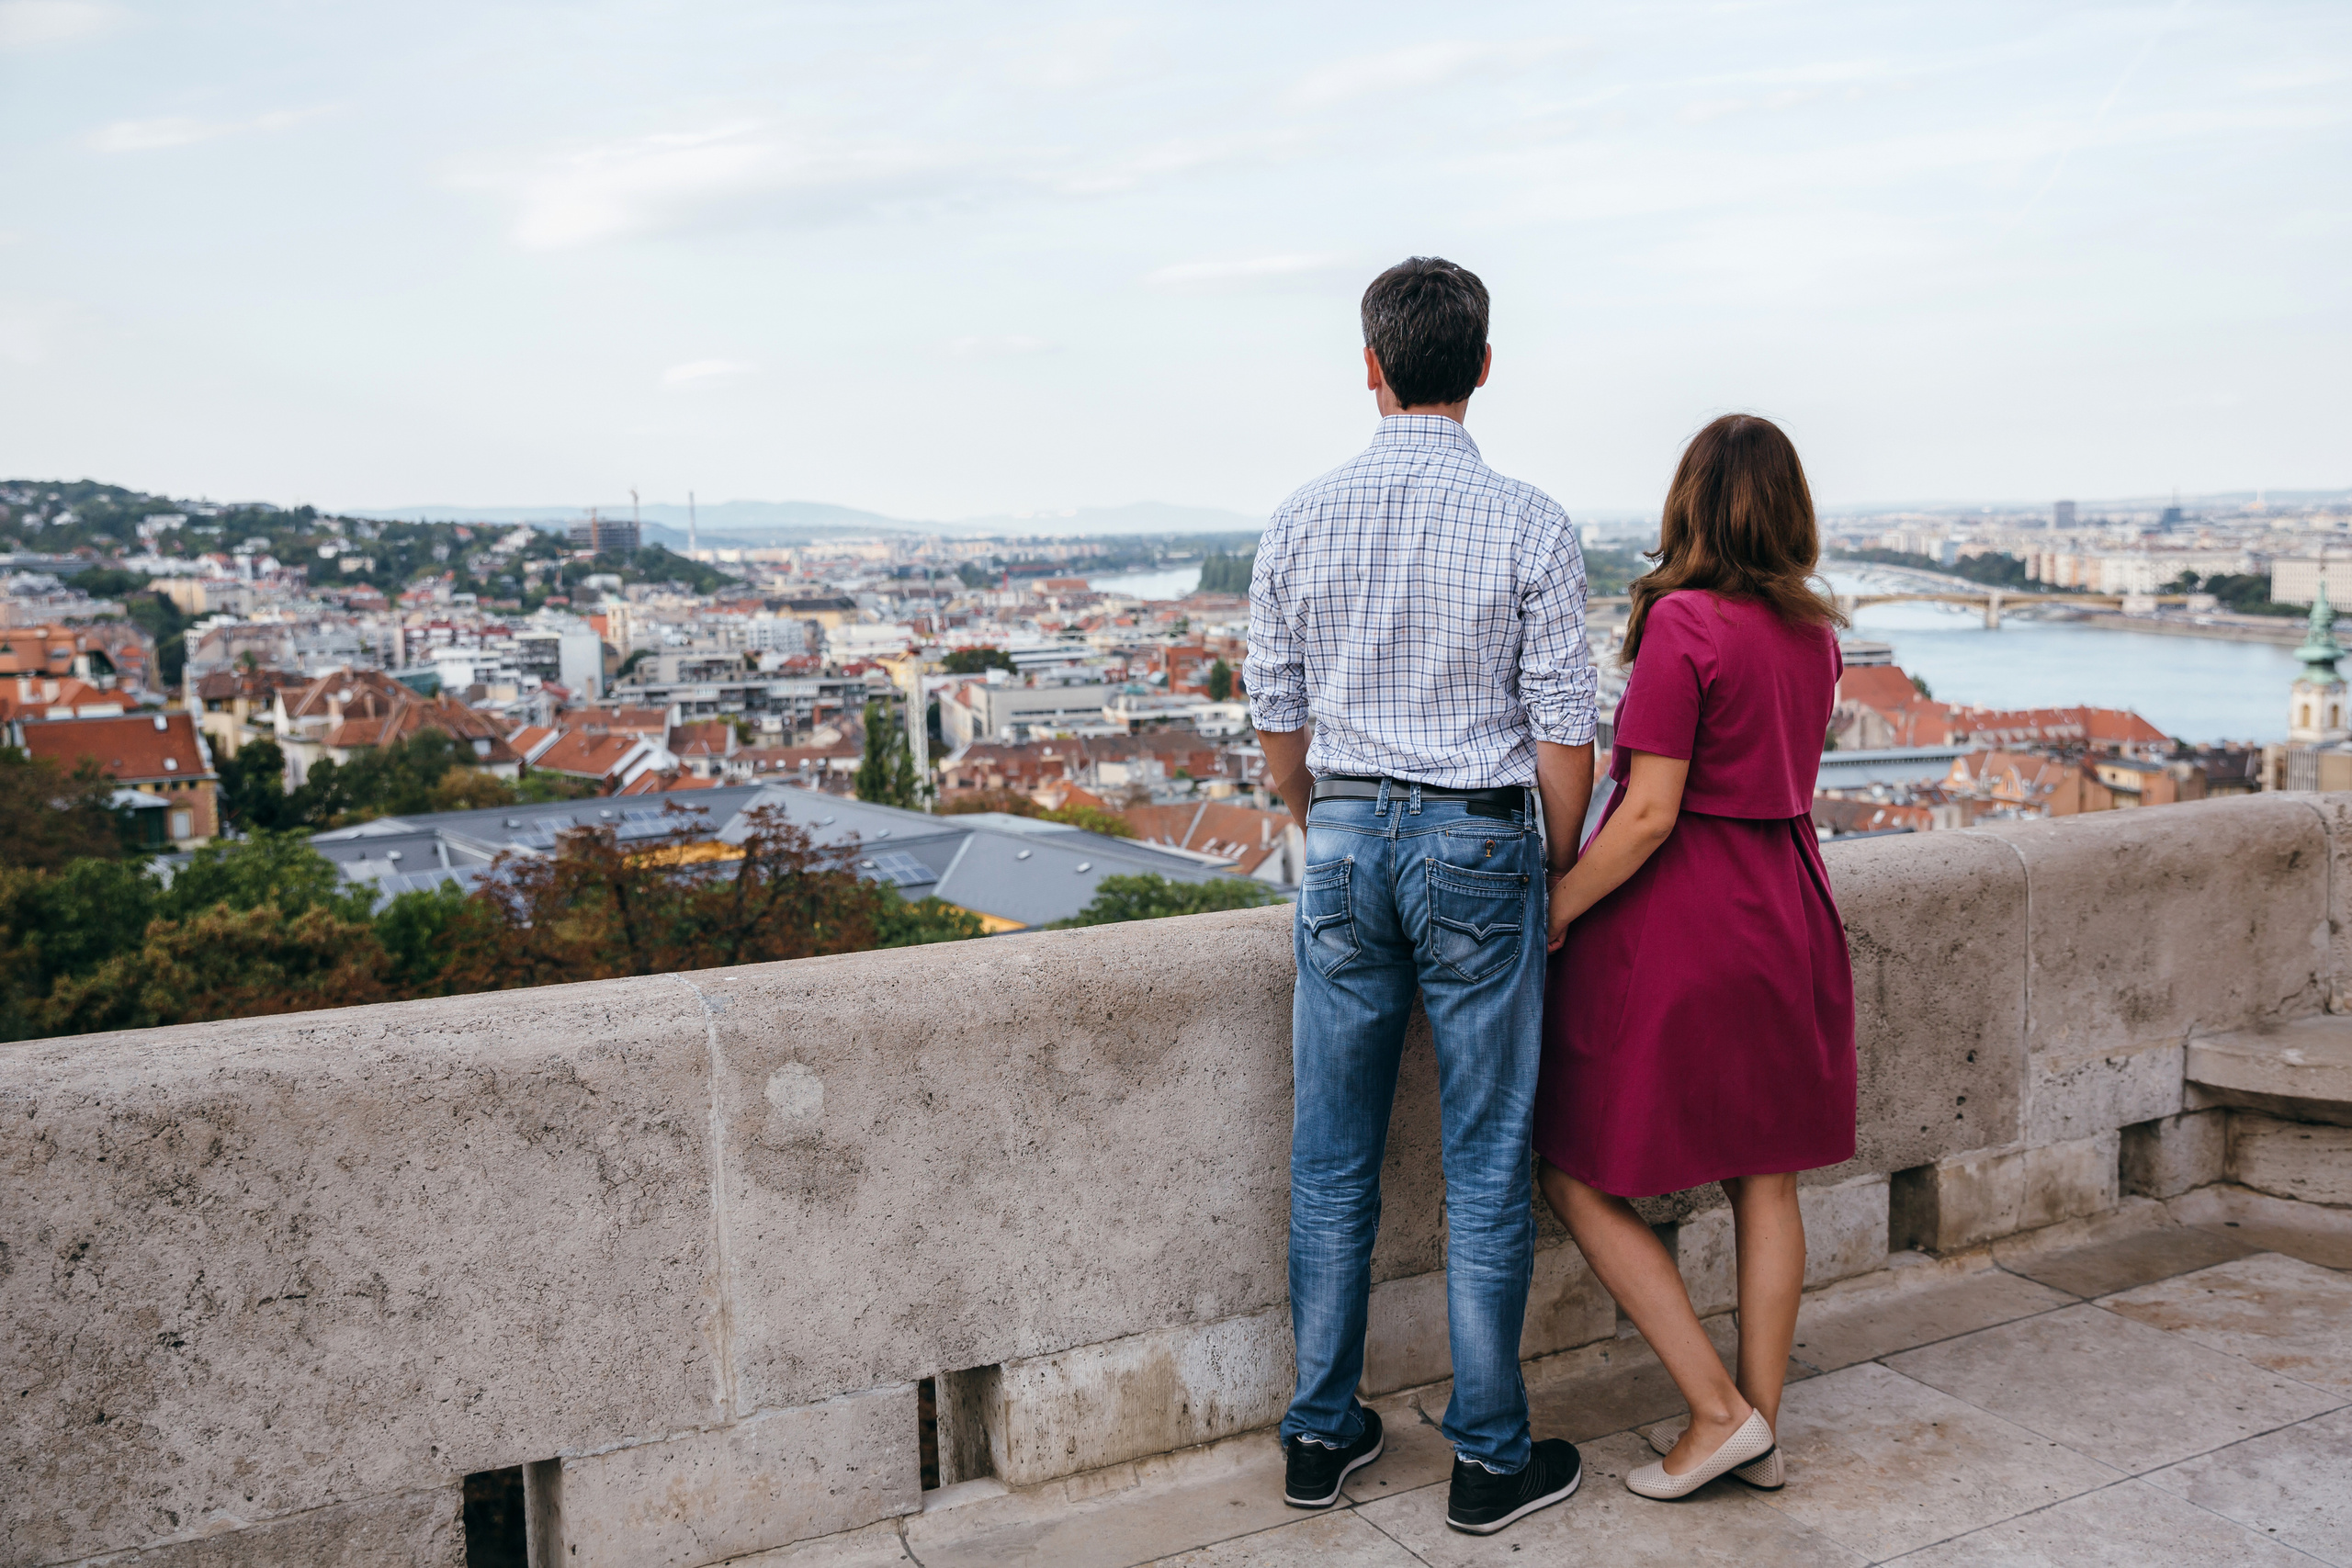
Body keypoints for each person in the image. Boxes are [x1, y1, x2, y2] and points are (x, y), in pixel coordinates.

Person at [1246, 256, 1599, 1538]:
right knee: (1487, 1160)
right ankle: (1488, 1455)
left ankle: (1319, 1430)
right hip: (1479, 836)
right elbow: (1565, 729)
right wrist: (1550, 865)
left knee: (1331, 1157)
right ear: (1484, 366)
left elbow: (1275, 713)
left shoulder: (1299, 517)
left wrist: (1319, 818)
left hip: (1344, 829)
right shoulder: (1533, 523)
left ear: (1371, 365)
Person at [1532, 413, 1858, 1500]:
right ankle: (1759, 1428)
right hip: (1790, 907)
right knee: (1767, 1179)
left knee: (1575, 1169)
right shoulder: (1816, 637)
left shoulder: (1682, 622)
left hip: (1689, 921)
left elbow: (1647, 813)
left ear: (1688, 505)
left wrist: (1556, 907)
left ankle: (1717, 1415)